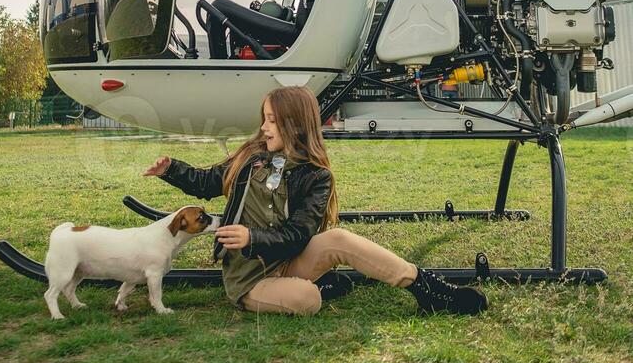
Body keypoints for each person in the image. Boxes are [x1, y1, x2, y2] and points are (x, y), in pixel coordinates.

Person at [143, 87, 487, 316]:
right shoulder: (250, 157)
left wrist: (255, 237)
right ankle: (318, 286)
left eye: (272, 121)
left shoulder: (315, 175)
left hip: (288, 259)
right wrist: (171, 169)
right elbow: (206, 182)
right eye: (264, 119)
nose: (264, 127)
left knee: (337, 238)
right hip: (249, 278)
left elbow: (299, 235)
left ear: (295, 125)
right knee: (307, 301)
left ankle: (428, 289)